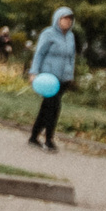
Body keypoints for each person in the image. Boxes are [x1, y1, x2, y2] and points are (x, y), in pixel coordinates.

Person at [26, 8, 76, 149]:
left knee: (46, 108)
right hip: (48, 78)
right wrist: (34, 72)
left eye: (70, 19)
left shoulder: (71, 36)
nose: (67, 21)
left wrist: (70, 75)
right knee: (53, 108)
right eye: (64, 18)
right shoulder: (49, 34)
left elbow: (71, 58)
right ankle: (49, 140)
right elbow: (39, 53)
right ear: (58, 19)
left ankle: (33, 137)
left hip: (63, 79)